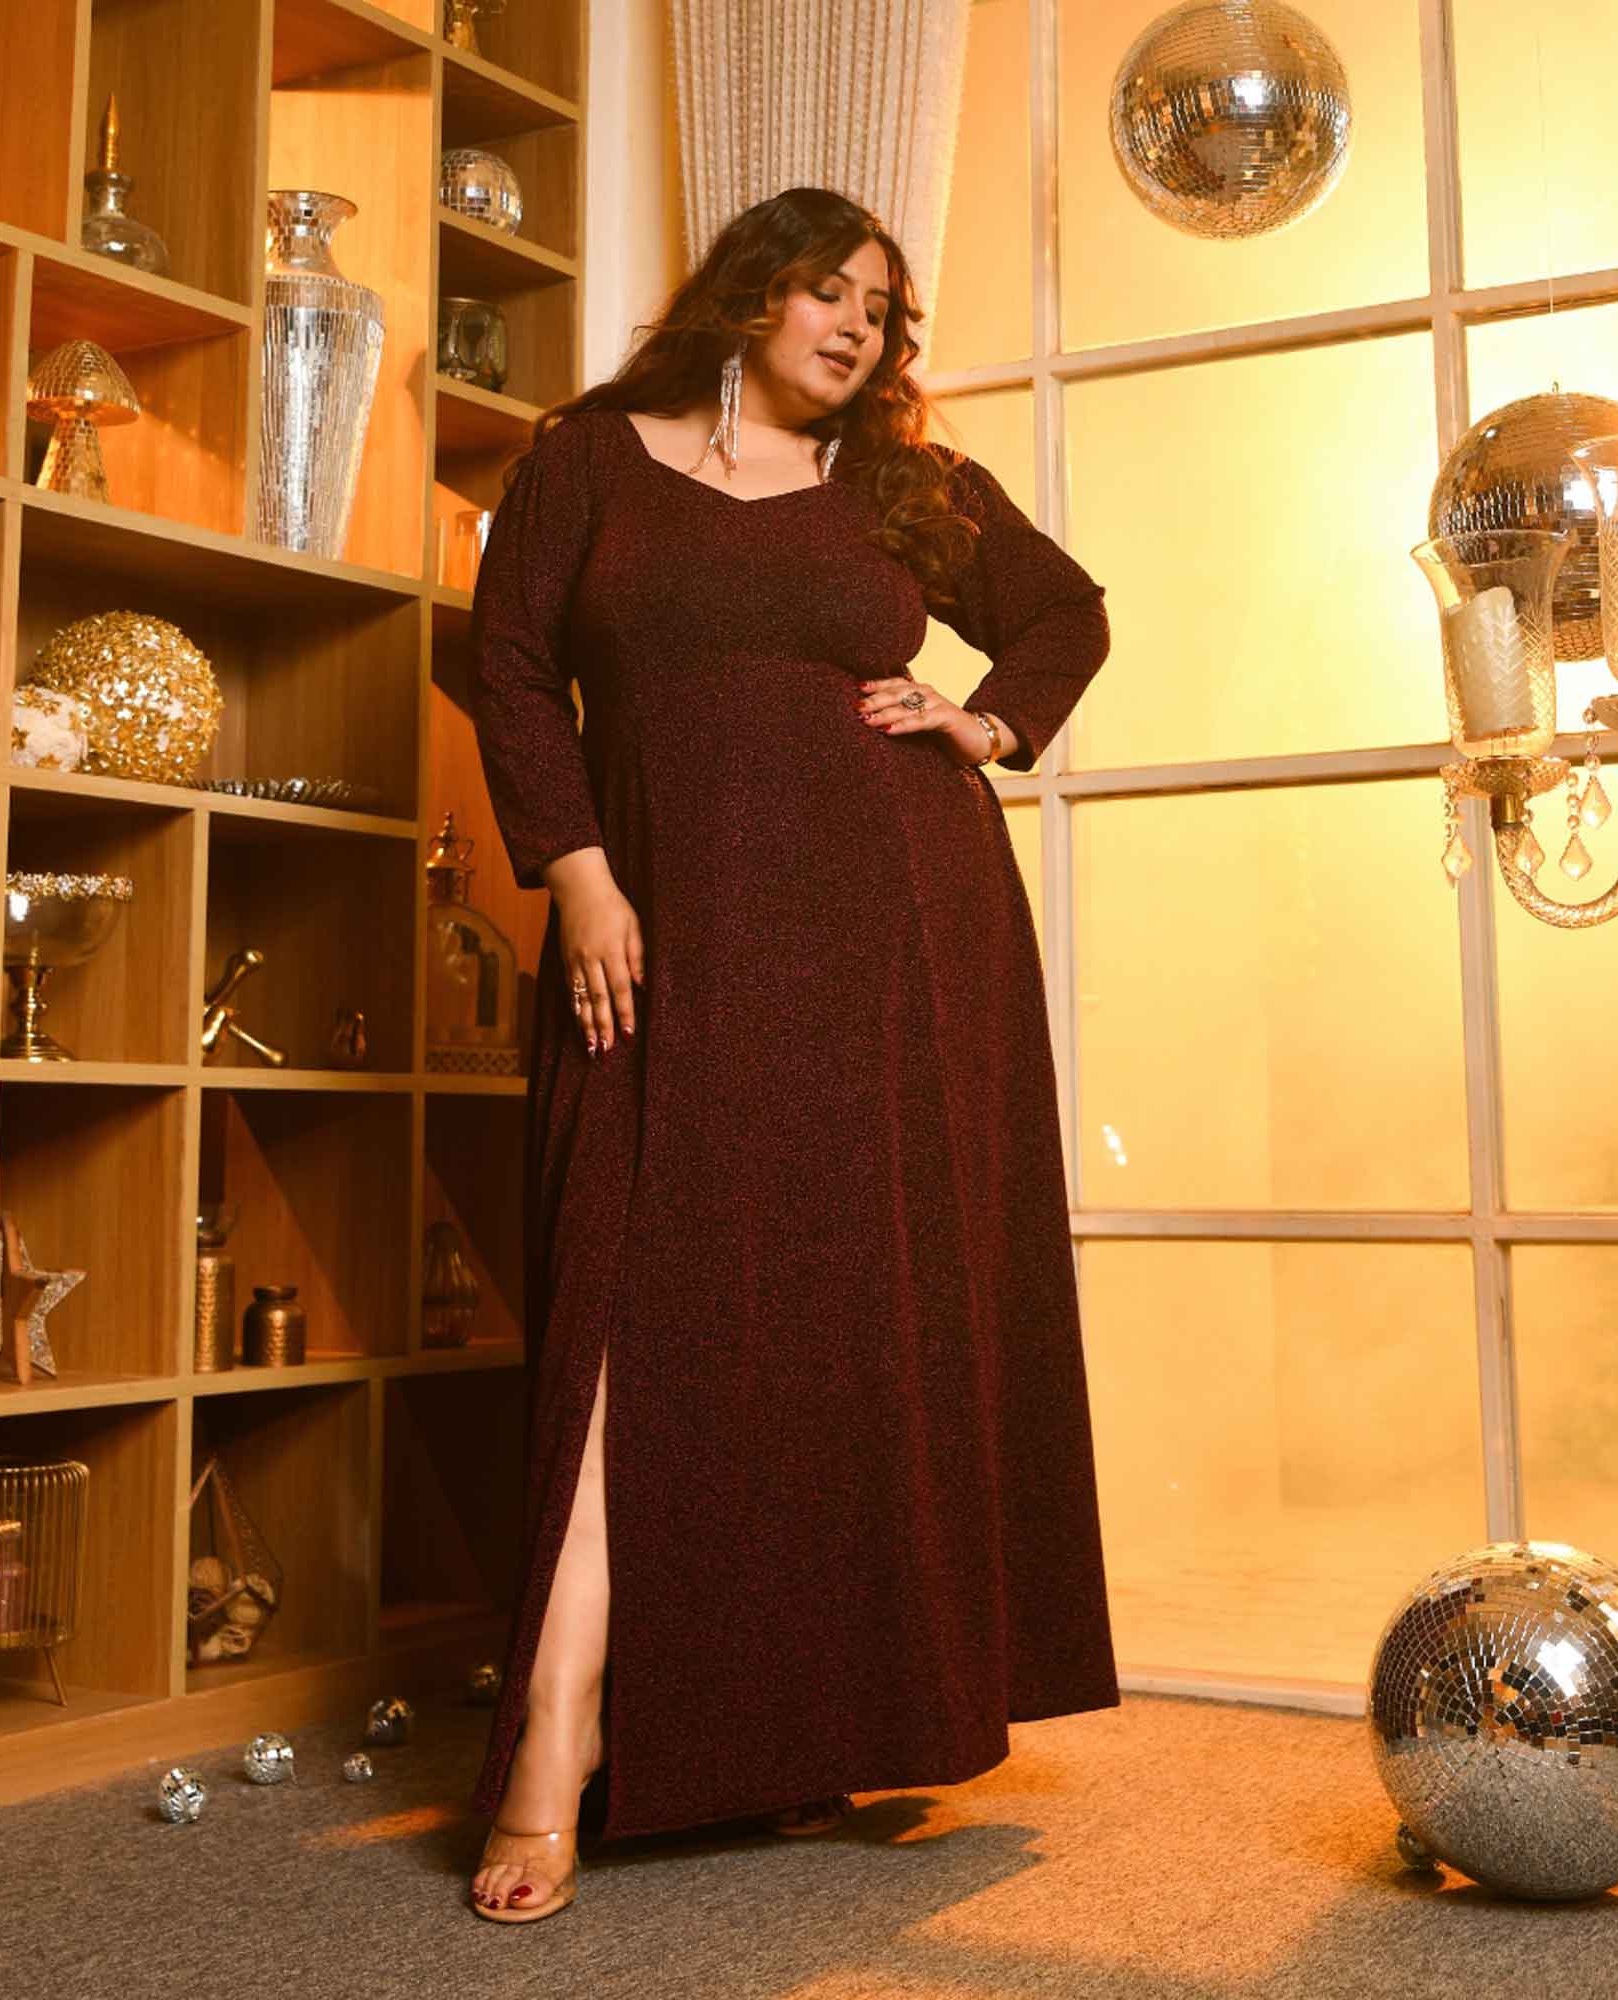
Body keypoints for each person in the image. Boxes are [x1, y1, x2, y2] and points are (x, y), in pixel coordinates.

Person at [465, 186, 1119, 1924]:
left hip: (891, 942)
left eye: (881, 311)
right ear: (750, 294)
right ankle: (558, 1730)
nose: (855, 328)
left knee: (845, 1323)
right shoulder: (588, 463)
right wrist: (578, 873)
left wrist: (986, 720)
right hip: (658, 923)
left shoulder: (903, 485)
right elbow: (508, 668)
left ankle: (813, 1724)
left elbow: (1065, 613)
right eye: (828, 291)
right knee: (627, 1306)